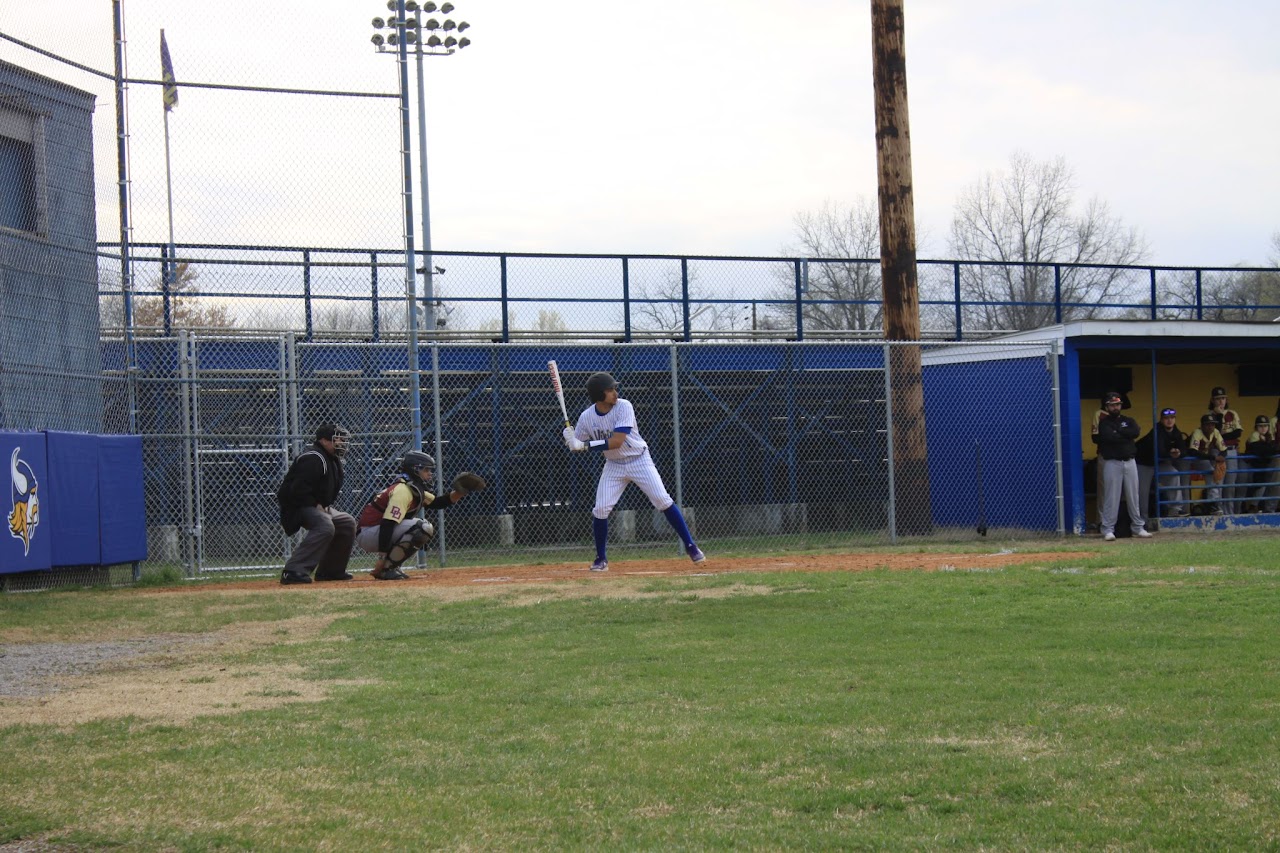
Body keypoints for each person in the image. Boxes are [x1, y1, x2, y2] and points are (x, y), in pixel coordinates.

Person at [561, 372, 705, 571]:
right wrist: (570, 438)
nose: (615, 393)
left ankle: (691, 546)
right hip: (614, 465)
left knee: (662, 500)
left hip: (639, 460)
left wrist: (584, 445)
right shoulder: (587, 417)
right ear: (598, 394)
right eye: (610, 390)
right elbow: (577, 444)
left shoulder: (624, 406)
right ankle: (601, 559)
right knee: (601, 509)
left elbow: (616, 441)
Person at [355, 450, 479, 580]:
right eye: (426, 470)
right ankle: (387, 569)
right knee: (422, 527)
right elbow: (388, 523)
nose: (430, 474)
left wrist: (460, 492)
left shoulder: (412, 488)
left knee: (420, 526)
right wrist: (382, 557)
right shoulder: (402, 491)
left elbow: (438, 502)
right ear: (416, 469)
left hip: (376, 531)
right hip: (368, 533)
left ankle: (391, 567)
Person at [276, 423, 357, 585]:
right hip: (298, 506)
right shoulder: (314, 457)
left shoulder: (331, 458)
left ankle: (330, 571)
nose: (341, 442)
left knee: (347, 522)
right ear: (324, 441)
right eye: (337, 439)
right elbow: (295, 490)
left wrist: (321, 505)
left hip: (314, 504)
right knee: (325, 526)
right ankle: (293, 571)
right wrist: (315, 504)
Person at [1092, 391, 1151, 541]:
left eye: (1117, 404)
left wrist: (1120, 433)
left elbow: (1135, 431)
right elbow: (1107, 437)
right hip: (1112, 462)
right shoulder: (1104, 422)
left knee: (1133, 495)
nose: (1115, 407)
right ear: (1107, 406)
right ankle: (1108, 529)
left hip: (1130, 461)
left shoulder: (1128, 420)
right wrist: (1124, 434)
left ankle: (1138, 527)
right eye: (1112, 405)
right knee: (1111, 496)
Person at [1136, 407, 1191, 518]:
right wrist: (1170, 453)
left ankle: (1175, 509)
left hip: (1159, 463)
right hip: (1143, 462)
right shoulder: (1157, 430)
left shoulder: (1175, 431)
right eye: (1166, 418)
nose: (1169, 420)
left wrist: (1178, 452)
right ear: (1161, 420)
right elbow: (1159, 450)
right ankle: (1142, 520)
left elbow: (1184, 449)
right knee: (1143, 492)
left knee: (1173, 473)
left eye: (1172, 418)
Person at [1206, 386, 1244, 511]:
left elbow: (1237, 433)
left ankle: (1230, 512)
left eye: (1223, 398)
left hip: (1232, 450)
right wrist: (1219, 416)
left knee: (1230, 484)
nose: (1221, 401)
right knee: (1219, 482)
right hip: (1218, 451)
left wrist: (1222, 435)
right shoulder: (1209, 416)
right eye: (1218, 399)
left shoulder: (1232, 413)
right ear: (1212, 400)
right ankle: (1219, 510)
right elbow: (1214, 436)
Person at [1187, 413, 1227, 515]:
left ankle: (1214, 503)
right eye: (1208, 424)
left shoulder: (1216, 432)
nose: (1210, 427)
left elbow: (1224, 449)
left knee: (1216, 474)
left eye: (1212, 424)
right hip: (1193, 458)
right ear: (1202, 425)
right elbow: (1193, 452)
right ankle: (1213, 505)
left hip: (1207, 457)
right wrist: (1214, 458)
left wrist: (1221, 456)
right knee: (1210, 472)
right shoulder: (1197, 432)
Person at [1244, 415, 1280, 513]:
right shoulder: (1254, 435)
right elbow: (1262, 450)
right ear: (1256, 427)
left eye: (1265, 426)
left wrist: (1272, 449)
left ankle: (1261, 506)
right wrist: (1272, 449)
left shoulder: (1269, 436)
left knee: (1268, 483)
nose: (1263, 428)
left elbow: (1271, 449)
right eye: (1260, 426)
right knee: (1259, 484)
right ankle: (1252, 506)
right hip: (1251, 466)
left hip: (1263, 465)